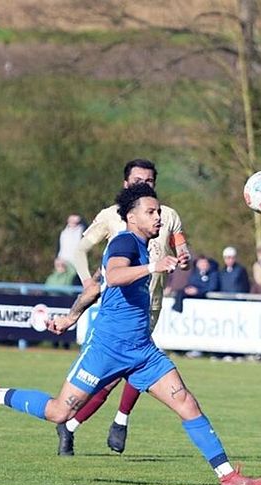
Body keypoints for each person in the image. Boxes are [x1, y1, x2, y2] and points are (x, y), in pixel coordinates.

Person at [0, 182, 261, 485]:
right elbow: (117, 275)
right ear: (132, 218)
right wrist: (154, 267)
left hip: (142, 351)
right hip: (106, 349)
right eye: (151, 212)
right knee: (59, 412)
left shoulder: (140, 245)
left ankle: (228, 478)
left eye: (159, 212)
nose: (158, 217)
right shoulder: (123, 242)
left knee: (186, 403)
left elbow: (96, 285)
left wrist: (71, 316)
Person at [63, 159, 192, 456]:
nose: (143, 185)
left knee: (136, 369)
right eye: (137, 180)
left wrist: (183, 256)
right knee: (112, 378)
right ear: (125, 184)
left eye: (149, 181)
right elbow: (81, 249)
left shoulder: (166, 215)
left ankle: (84, 424)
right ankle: (89, 423)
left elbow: (180, 244)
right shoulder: (112, 216)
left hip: (152, 305)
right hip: (119, 305)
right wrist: (87, 282)